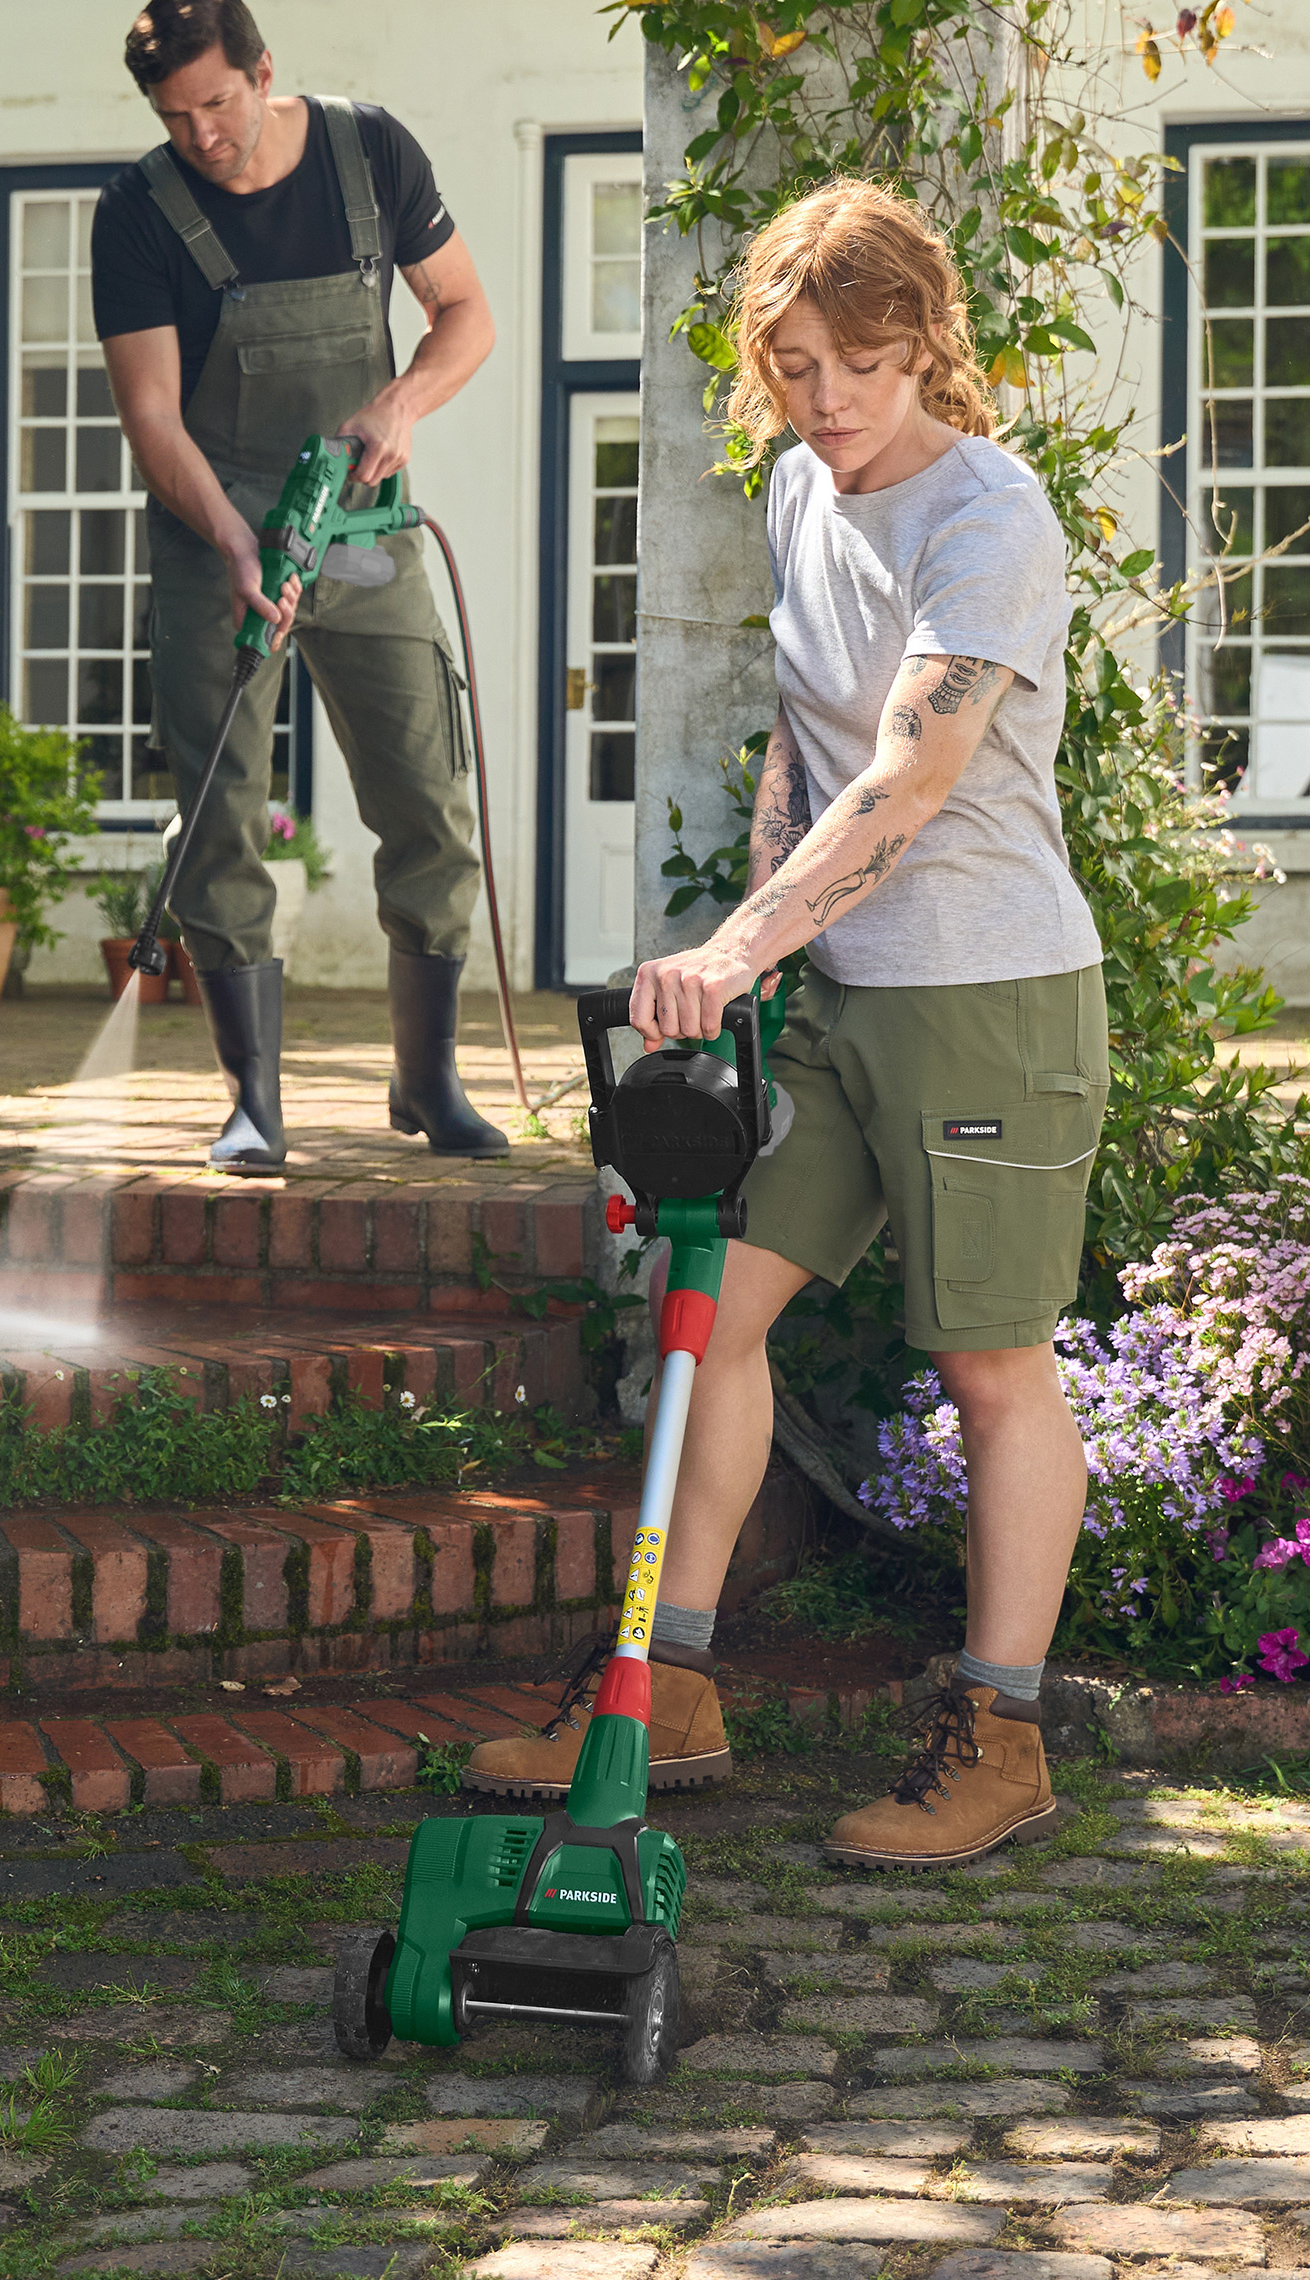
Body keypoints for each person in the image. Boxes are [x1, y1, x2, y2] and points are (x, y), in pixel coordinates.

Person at [464, 178, 1108, 1870]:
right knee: (709, 1308)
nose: (820, 402)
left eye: (851, 366)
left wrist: (739, 942)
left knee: (987, 1364)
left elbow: (912, 766)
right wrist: (763, 957)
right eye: (792, 366)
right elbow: (802, 746)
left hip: (986, 993)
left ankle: (999, 1731)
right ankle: (659, 1686)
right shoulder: (796, 498)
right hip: (838, 996)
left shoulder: (985, 515)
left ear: (918, 350)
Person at [93, 0, 508, 1172]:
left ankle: (428, 1084)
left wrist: (401, 400)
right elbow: (154, 418)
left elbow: (466, 313)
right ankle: (254, 1104)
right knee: (217, 818)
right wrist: (230, 539)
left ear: (264, 71)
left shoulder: (370, 155)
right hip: (213, 542)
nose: (203, 136)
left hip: (365, 531)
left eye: (218, 105)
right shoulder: (137, 213)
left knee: (429, 801)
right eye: (177, 119)